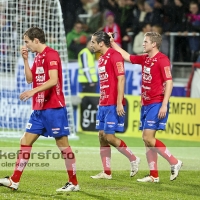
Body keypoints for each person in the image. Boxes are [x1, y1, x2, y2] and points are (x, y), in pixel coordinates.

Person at [0, 27, 79, 192]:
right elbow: (30, 79)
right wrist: (25, 60)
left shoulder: (51, 54)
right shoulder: (38, 57)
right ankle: (14, 180)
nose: (26, 45)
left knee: (63, 146)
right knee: (25, 141)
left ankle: (74, 183)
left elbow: (53, 80)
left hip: (54, 108)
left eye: (27, 42)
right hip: (39, 109)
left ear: (36, 40)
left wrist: (33, 91)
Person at [108, 31, 182, 182]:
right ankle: (154, 175)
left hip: (157, 103)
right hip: (146, 104)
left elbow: (169, 82)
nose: (143, 44)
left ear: (154, 44)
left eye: (146, 41)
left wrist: (164, 104)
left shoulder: (162, 60)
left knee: (148, 138)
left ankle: (174, 162)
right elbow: (127, 56)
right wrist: (112, 43)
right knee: (147, 140)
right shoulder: (145, 59)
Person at [90, 31, 140, 179]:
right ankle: (106, 172)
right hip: (103, 103)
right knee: (101, 135)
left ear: (101, 43)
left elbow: (121, 79)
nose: (91, 45)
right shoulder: (102, 58)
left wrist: (119, 102)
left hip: (113, 103)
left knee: (109, 137)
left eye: (93, 42)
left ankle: (133, 158)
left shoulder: (115, 56)